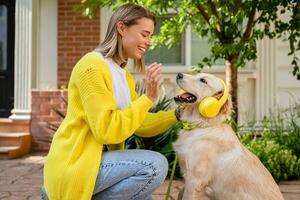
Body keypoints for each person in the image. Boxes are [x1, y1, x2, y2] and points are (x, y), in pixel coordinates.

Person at [42, 3, 178, 200]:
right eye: (145, 34)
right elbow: (106, 130)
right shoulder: (92, 67)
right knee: (154, 165)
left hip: (97, 165)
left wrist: (178, 114)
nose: (149, 42)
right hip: (75, 166)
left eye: (150, 36)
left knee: (144, 196)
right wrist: (147, 98)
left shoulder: (123, 75)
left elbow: (140, 122)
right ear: (122, 28)